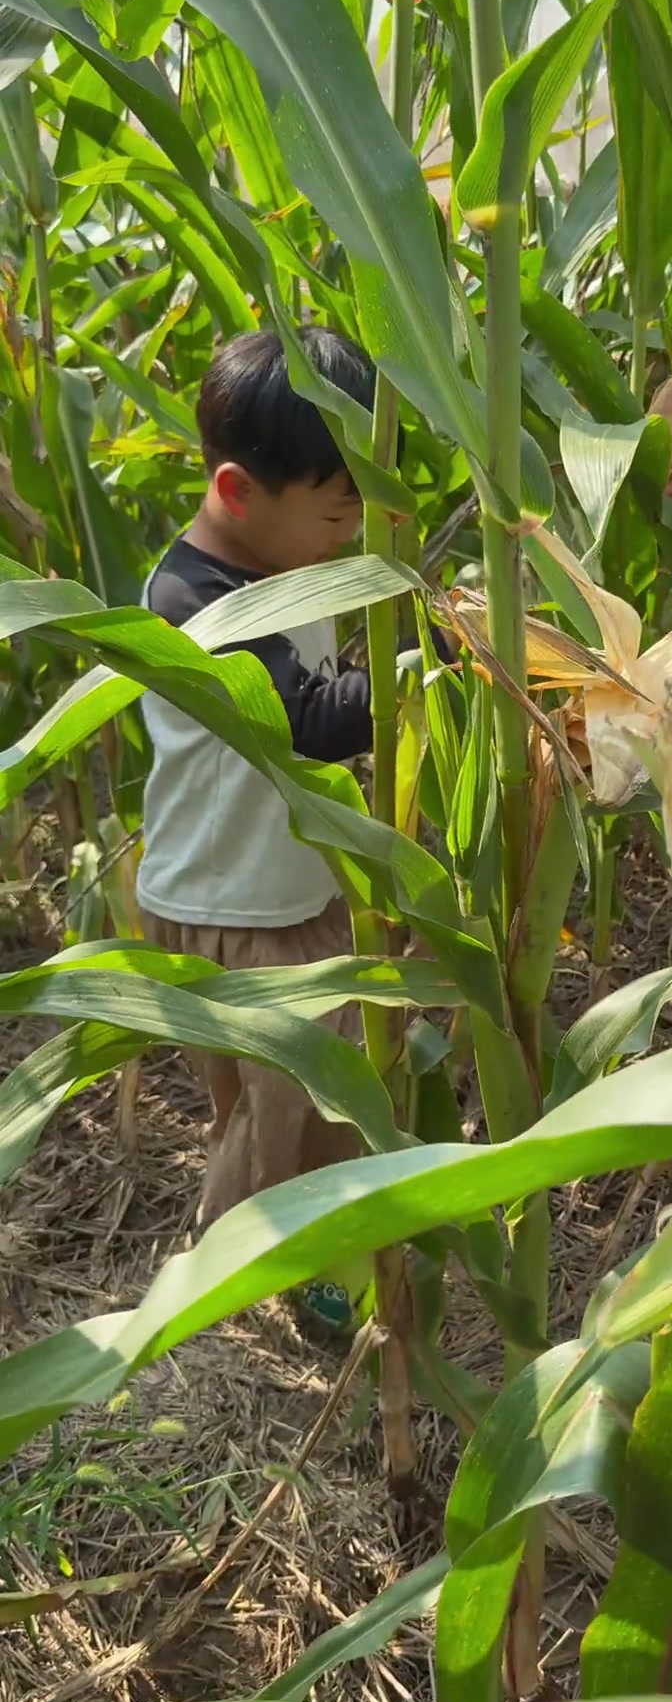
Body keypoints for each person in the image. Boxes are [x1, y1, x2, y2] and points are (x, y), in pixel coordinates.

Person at [137, 325, 382, 1334]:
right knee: (270, 1115)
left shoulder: (281, 563)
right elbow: (311, 722)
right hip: (238, 910)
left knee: (296, 1103)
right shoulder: (194, 608)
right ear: (239, 494)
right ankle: (219, 1287)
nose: (352, 532)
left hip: (267, 891)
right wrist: (429, 664)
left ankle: (310, 1252)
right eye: (336, 511)